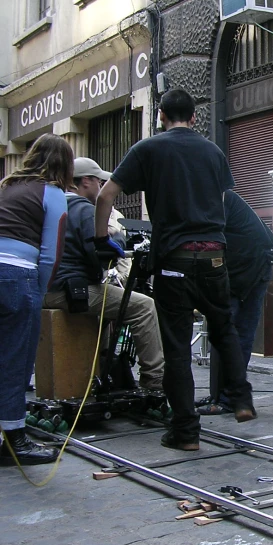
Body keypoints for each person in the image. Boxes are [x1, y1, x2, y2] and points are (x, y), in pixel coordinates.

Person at [93, 88, 256, 452]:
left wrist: (101, 239)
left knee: (178, 349)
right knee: (224, 329)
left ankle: (185, 433)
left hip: (175, 261)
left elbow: (105, 196)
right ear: (195, 117)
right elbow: (225, 200)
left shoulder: (148, 149)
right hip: (214, 256)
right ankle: (242, 400)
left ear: (161, 115)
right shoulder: (213, 152)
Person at [43, 157, 165, 391]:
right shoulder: (83, 209)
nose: (102, 187)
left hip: (47, 289)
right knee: (144, 307)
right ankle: (155, 379)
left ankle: (101, 369)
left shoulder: (51, 205)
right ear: (86, 181)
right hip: (70, 290)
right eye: (100, 182)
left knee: (108, 306)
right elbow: (103, 252)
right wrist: (117, 233)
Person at [0, 133, 72, 466]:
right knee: (16, 360)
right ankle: (15, 441)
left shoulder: (7, 187)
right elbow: (50, 254)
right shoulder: (54, 194)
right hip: (18, 276)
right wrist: (40, 291)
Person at [198, 190, 273, 415]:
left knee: (235, 333)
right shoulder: (208, 196)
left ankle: (228, 399)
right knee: (228, 332)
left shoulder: (216, 196)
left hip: (252, 265)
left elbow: (210, 240)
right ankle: (220, 395)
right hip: (244, 263)